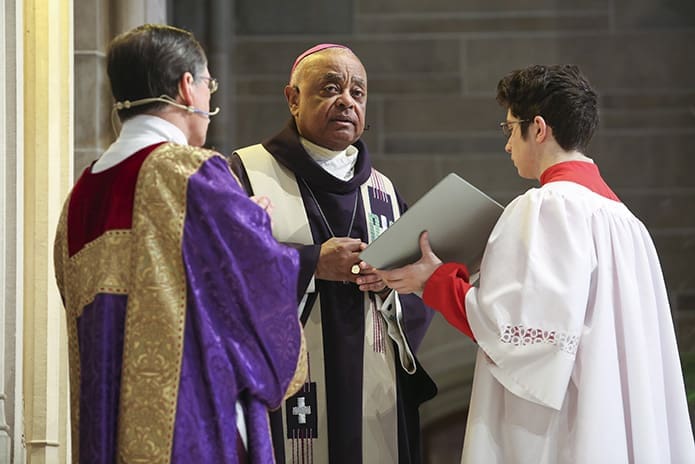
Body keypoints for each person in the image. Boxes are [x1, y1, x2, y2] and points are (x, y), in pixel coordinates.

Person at [373, 64, 695, 464]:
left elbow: (513, 332)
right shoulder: (630, 225)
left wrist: (433, 280)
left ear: (538, 128)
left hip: (568, 431)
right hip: (618, 426)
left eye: (510, 129)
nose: (508, 145)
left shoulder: (544, 206)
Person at [53, 24, 306, 464]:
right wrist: (257, 226)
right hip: (194, 428)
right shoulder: (189, 174)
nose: (210, 99)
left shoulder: (79, 200)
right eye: (209, 84)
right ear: (187, 87)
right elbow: (256, 286)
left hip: (106, 437)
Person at [227, 44, 437, 463]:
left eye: (357, 93)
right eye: (330, 88)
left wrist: (390, 284)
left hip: (375, 392)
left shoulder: (385, 194)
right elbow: (222, 272)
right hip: (287, 389)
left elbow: (419, 291)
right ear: (293, 98)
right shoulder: (246, 174)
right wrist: (310, 265)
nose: (346, 100)